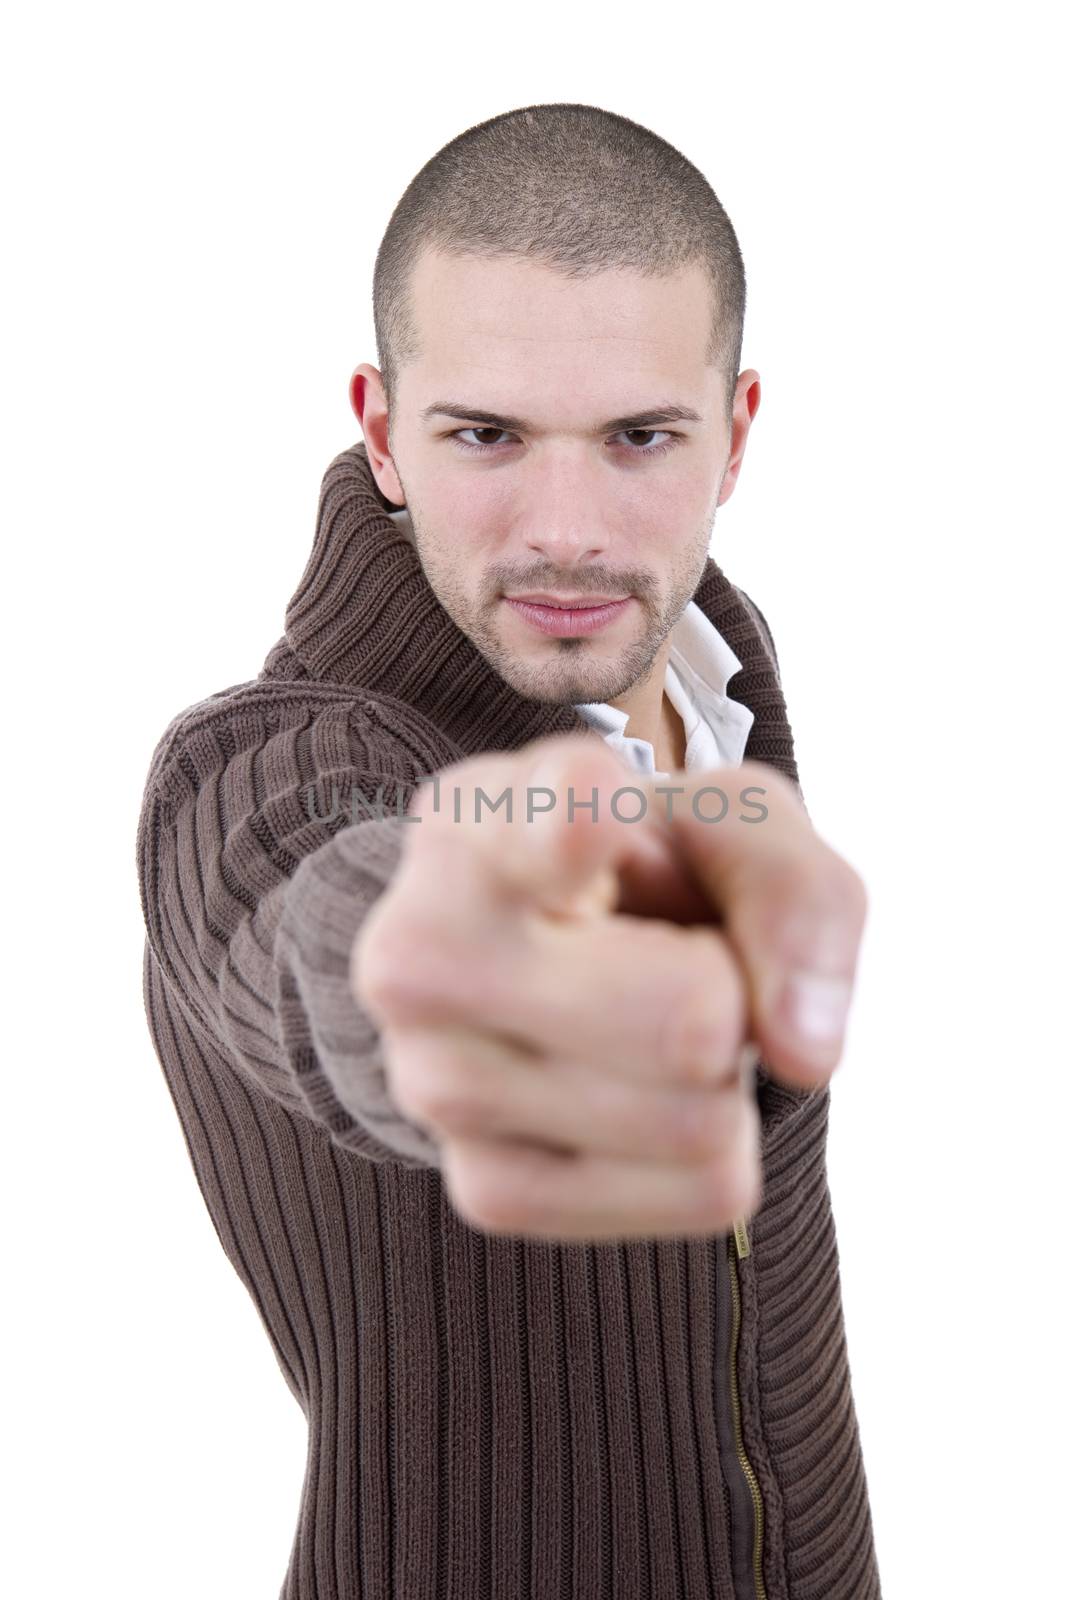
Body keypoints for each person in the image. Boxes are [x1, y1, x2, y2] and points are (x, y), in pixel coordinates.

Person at [136, 101, 881, 1600]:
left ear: (733, 435)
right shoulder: (261, 766)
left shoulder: (712, 677)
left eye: (639, 439)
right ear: (381, 429)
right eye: (486, 435)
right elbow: (317, 920)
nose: (567, 531)